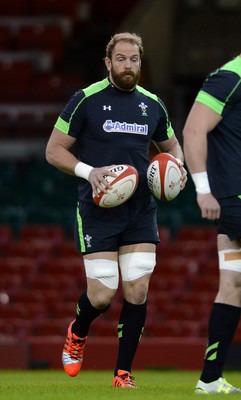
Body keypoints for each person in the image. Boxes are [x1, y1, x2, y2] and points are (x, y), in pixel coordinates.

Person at [46, 32, 187, 389]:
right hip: (98, 208)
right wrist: (88, 172)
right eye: (121, 59)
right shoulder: (86, 100)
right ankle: (78, 331)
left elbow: (172, 147)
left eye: (134, 60)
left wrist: (175, 172)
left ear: (141, 62)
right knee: (103, 294)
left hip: (140, 209)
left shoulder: (153, 104)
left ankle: (122, 374)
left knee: (138, 290)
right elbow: (54, 150)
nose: (128, 66)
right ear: (108, 63)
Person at [183, 54, 241, 394]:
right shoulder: (229, 76)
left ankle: (209, 378)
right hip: (235, 197)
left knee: (233, 283)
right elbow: (193, 128)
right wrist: (203, 190)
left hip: (232, 201)